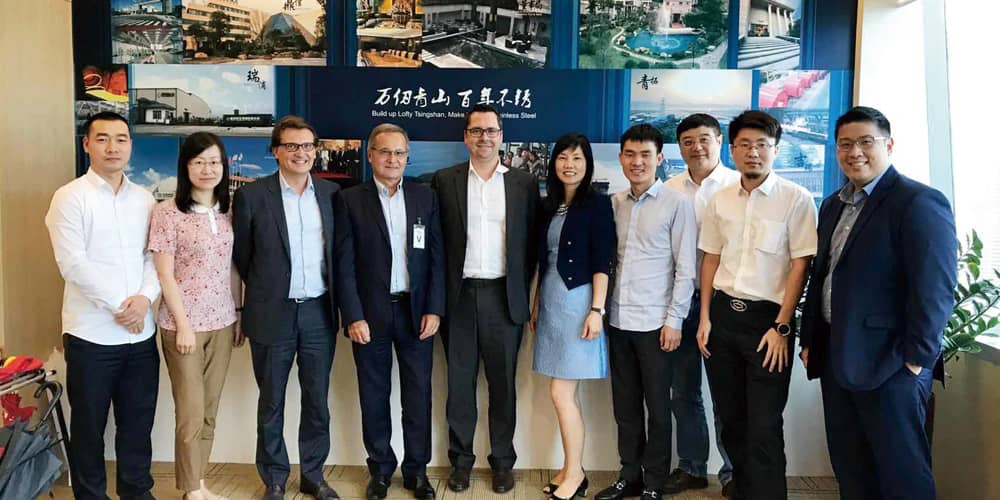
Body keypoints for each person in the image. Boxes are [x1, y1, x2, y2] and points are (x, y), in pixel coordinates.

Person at [799, 106, 957, 500]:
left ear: (889, 145)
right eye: (845, 144)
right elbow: (823, 275)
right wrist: (811, 339)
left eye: (865, 142)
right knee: (851, 466)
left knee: (902, 473)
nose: (855, 152)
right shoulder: (833, 205)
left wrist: (916, 360)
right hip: (837, 357)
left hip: (892, 364)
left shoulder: (918, 201)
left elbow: (935, 288)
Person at [696, 110, 817, 500]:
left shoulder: (795, 199)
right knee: (731, 420)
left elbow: (801, 264)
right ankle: (745, 490)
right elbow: (710, 258)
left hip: (768, 323)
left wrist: (782, 326)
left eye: (762, 145)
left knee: (764, 424)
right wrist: (704, 318)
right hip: (722, 318)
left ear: (775, 149)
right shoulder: (720, 200)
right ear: (732, 150)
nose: (753, 152)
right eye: (745, 145)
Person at [45, 111, 161, 500]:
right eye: (102, 138)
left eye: (121, 139)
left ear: (131, 145)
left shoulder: (144, 198)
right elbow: (73, 263)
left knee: (138, 424)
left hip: (141, 336)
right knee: (89, 428)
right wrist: (121, 307)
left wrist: (144, 299)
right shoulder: (69, 197)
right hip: (91, 334)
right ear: (87, 144)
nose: (113, 147)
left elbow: (155, 256)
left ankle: (136, 492)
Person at [430, 104, 540, 494]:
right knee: (459, 387)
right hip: (458, 299)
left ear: (501, 136)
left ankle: (503, 462)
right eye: (476, 131)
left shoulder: (523, 184)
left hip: (504, 299)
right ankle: (460, 463)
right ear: (465, 137)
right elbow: (436, 243)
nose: (484, 137)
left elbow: (532, 245)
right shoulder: (445, 181)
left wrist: (524, 290)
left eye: (491, 130)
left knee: (503, 386)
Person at [232, 115, 340, 500]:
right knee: (271, 402)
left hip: (318, 314)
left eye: (307, 145)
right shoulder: (252, 196)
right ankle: (274, 478)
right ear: (276, 151)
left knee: (317, 400)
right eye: (291, 145)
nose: (301, 153)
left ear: (316, 150)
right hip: (271, 312)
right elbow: (242, 257)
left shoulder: (330, 195)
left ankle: (313, 474)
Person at [334, 124, 444, 500]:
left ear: (407, 157)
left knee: (418, 396)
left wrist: (434, 308)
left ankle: (417, 472)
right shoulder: (350, 200)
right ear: (370, 156)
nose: (392, 159)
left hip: (416, 314)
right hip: (370, 316)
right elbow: (344, 265)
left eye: (399, 153)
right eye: (385, 152)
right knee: (374, 396)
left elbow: (437, 258)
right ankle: (380, 470)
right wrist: (353, 315)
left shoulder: (425, 197)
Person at [594, 124, 697, 500]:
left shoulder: (676, 204)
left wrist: (674, 320)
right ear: (621, 158)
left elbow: (686, 268)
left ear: (659, 158)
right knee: (625, 407)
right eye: (630, 154)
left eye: (645, 155)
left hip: (657, 325)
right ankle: (629, 475)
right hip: (618, 320)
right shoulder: (614, 203)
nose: (637, 162)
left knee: (658, 408)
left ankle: (654, 482)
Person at [148, 132, 245, 500]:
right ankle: (191, 489)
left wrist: (238, 312)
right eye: (199, 162)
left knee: (209, 410)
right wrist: (184, 325)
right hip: (182, 326)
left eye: (214, 162)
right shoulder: (167, 213)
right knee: (190, 412)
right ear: (185, 167)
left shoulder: (228, 212)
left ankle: (201, 483)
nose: (208, 169)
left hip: (223, 322)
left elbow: (232, 268)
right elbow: (164, 274)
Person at [529, 133, 615, 500]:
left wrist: (597, 309)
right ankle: (569, 468)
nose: (570, 164)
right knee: (564, 393)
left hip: (579, 303)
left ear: (587, 164)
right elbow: (545, 261)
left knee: (561, 392)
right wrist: (536, 302)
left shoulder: (597, 204)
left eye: (577, 158)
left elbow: (602, 260)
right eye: (563, 157)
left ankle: (577, 473)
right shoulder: (549, 205)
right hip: (551, 301)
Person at [662, 114, 740, 497]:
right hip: (681, 302)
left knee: (726, 392)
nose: (697, 147)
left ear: (719, 141)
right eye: (688, 141)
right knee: (683, 391)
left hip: (723, 304)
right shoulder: (669, 188)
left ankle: (733, 472)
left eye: (704, 139)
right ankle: (691, 467)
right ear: (679, 147)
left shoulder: (737, 186)